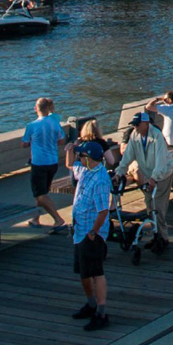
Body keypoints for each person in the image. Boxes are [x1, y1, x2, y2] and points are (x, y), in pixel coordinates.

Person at [116, 112, 173, 252]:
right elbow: (128, 156)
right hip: (148, 175)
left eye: (137, 124)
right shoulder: (134, 136)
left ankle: (163, 238)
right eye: (134, 124)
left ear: (146, 123)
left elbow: (161, 161)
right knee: (149, 206)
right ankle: (155, 236)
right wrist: (119, 172)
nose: (135, 127)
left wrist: (154, 178)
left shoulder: (157, 136)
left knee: (158, 208)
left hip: (162, 175)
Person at [68, 141, 112, 331]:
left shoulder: (100, 180)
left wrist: (93, 233)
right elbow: (70, 165)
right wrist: (70, 150)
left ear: (89, 158)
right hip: (80, 232)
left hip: (91, 234)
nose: (79, 159)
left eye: (81, 156)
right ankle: (91, 303)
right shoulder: (86, 171)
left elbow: (103, 211)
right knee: (84, 273)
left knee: (96, 273)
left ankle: (101, 312)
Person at [22, 97, 67, 232]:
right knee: (43, 191)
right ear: (49, 109)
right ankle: (35, 219)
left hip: (39, 163)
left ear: (35, 109)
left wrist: (33, 142)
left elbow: (24, 144)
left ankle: (58, 219)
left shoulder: (32, 126)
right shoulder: (55, 122)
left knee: (39, 194)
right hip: (53, 162)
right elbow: (61, 141)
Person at [144, 92, 173, 206]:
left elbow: (148, 107)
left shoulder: (167, 108)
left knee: (168, 163)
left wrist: (157, 98)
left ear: (168, 100)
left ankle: (161, 192)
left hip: (170, 143)